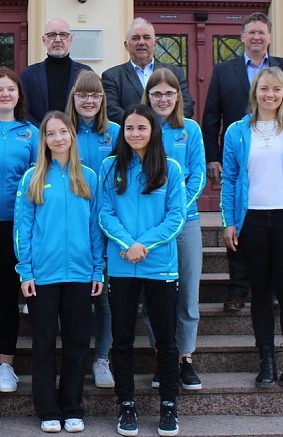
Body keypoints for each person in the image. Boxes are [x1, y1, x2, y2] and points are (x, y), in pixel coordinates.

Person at [220, 67, 283, 389]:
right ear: (255, 91)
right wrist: (229, 221)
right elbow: (230, 179)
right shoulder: (237, 131)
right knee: (261, 294)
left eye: (277, 90)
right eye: (264, 89)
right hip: (252, 220)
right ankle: (265, 360)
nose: (270, 95)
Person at [202, 12, 283, 313]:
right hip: (240, 160)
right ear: (242, 36)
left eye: (261, 32)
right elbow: (211, 117)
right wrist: (212, 156)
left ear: (270, 37)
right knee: (238, 222)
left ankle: (275, 290)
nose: (256, 37)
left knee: (279, 234)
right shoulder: (224, 71)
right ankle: (238, 289)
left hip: (279, 163)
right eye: (251, 32)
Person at [14, 111, 104, 434]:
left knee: (78, 343)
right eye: (51, 134)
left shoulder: (89, 178)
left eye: (63, 132)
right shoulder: (34, 177)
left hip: (80, 275)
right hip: (43, 276)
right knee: (43, 344)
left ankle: (72, 407)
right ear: (44, 140)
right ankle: (47, 409)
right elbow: (22, 229)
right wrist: (25, 272)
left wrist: (97, 269)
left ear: (72, 136)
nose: (58, 138)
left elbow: (96, 228)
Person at [98, 104, 184, 437]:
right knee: (121, 339)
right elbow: (105, 214)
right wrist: (126, 243)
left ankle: (168, 407)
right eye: (129, 128)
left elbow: (175, 217)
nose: (134, 134)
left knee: (166, 340)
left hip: (159, 265)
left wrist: (143, 245)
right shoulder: (110, 167)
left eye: (141, 128)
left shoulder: (170, 169)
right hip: (121, 265)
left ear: (153, 131)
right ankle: (127, 405)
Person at [141, 68, 206, 391]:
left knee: (188, 295)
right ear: (148, 97)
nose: (163, 99)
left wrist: (177, 210)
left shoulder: (190, 130)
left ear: (178, 97)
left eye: (169, 93)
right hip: (151, 227)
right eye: (157, 94)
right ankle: (162, 356)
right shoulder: (141, 130)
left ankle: (185, 359)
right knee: (155, 295)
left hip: (185, 223)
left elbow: (198, 176)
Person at [0, 67, 39, 393]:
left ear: (18, 95)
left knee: (7, 295)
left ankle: (6, 365)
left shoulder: (30, 132)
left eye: (10, 90)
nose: (5, 94)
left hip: (16, 226)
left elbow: (39, 178)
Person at [65, 70, 120, 389]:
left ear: (103, 99)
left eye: (95, 95)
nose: (89, 101)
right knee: (69, 294)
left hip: (107, 223)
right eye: (83, 95)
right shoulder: (63, 131)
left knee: (104, 296)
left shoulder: (114, 132)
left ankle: (101, 357)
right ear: (74, 99)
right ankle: (73, 354)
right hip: (68, 224)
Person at [102, 18, 194, 124]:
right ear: (126, 45)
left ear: (155, 44)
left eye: (146, 37)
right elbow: (111, 109)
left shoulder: (175, 72)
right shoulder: (112, 76)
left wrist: (163, 124)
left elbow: (187, 105)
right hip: (132, 137)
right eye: (135, 38)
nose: (141, 42)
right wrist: (140, 125)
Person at [20, 18, 93, 126]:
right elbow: (22, 109)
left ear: (70, 39)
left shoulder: (85, 73)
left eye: (63, 34)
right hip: (39, 137)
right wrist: (44, 132)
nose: (58, 39)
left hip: (77, 136)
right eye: (52, 35)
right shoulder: (28, 74)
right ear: (44, 40)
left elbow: (92, 106)